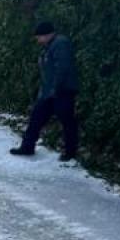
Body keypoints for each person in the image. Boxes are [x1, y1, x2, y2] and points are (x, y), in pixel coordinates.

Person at [10, 21, 79, 162]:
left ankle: (70, 152)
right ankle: (27, 147)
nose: (38, 40)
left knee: (67, 121)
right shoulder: (49, 46)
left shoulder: (60, 43)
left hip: (62, 91)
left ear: (47, 34)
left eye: (39, 37)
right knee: (36, 118)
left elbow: (62, 68)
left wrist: (55, 88)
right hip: (49, 92)